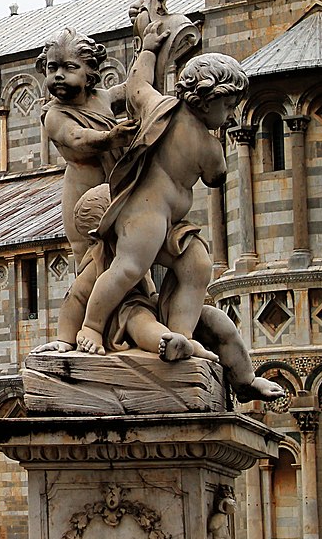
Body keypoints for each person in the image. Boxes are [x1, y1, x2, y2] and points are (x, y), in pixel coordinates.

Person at [77, 27, 248, 356]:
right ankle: (92, 326)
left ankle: (180, 336)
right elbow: (217, 177)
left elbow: (138, 85)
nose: (229, 116)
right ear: (203, 100)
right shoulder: (209, 147)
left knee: (198, 264)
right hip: (147, 214)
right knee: (127, 269)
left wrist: (149, 49)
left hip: (169, 223)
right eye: (227, 106)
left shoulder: (159, 107)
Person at [35, 184, 283, 402]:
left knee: (217, 320)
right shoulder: (101, 259)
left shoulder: (147, 236)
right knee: (142, 322)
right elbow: (75, 297)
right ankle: (176, 345)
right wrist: (65, 340)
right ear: (101, 234)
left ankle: (247, 381)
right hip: (127, 314)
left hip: (158, 307)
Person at [36, 29, 135, 265]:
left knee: (130, 251)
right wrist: (110, 137)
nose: (59, 75)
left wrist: (146, 40)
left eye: (69, 67)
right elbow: (77, 138)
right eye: (52, 68)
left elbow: (134, 87)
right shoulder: (54, 115)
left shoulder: (102, 98)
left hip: (117, 186)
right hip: (82, 198)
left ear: (90, 73)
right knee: (89, 260)